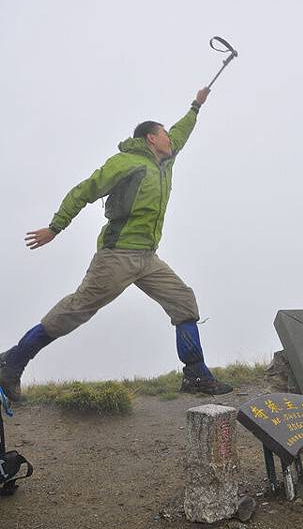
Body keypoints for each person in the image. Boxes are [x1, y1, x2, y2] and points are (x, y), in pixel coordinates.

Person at [0, 87, 233, 401]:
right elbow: (85, 189)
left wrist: (196, 106)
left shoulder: (164, 162)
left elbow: (180, 133)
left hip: (148, 259)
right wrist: (55, 227)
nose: (169, 138)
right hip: (118, 255)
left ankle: (195, 375)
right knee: (76, 309)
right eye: (163, 134)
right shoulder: (126, 163)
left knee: (183, 301)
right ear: (151, 138)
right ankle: (12, 362)